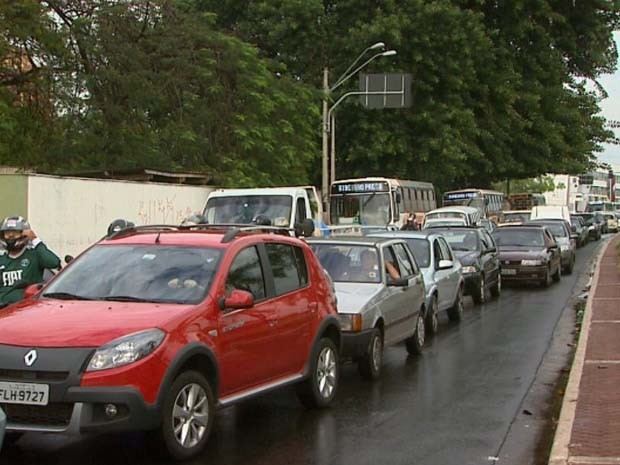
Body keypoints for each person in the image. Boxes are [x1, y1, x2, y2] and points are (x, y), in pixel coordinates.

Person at [0, 216, 61, 305]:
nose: (10, 236)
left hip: (26, 307)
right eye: (7, 233)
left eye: (15, 232)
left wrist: (35, 240)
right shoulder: (2, 259)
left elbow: (53, 262)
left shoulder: (34, 255)